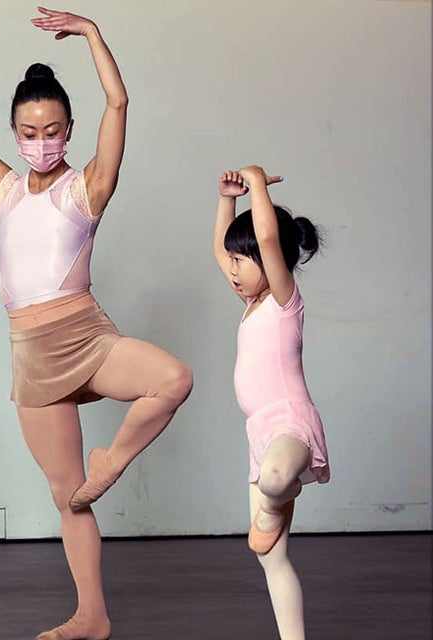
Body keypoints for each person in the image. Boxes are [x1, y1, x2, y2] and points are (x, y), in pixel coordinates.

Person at [0, 5, 193, 639]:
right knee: (66, 496)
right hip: (32, 351)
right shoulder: (3, 187)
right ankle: (91, 616)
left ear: (69, 130)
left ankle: (113, 463)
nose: (41, 141)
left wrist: (93, 36)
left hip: (84, 334)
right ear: (15, 132)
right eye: (28, 131)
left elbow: (119, 105)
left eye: (53, 130)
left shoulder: (87, 188)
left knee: (173, 378)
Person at [213, 166, 329, 639]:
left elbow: (264, 233)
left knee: (278, 478)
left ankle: (277, 499)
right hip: (259, 433)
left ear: (273, 257)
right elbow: (222, 249)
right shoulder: (251, 303)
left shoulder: (285, 300)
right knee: (271, 557)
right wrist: (226, 199)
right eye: (234, 262)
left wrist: (256, 186)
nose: (234, 270)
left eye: (246, 260)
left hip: (290, 423)